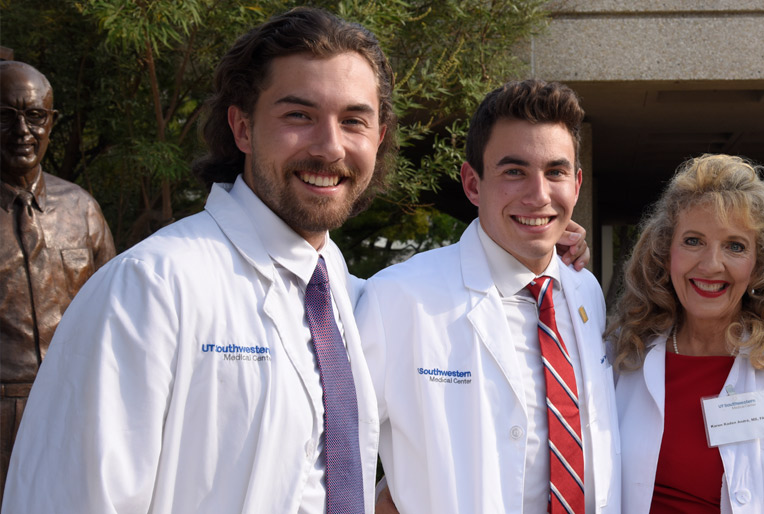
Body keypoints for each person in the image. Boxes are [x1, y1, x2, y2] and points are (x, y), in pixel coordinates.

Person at [3, 8, 393, 513]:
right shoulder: (147, 288)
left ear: (379, 137)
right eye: (299, 115)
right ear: (243, 127)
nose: (329, 146)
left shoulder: (344, 292)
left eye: (353, 120)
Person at [357, 79, 619, 513]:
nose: (538, 195)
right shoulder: (398, 298)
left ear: (575, 184)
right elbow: (334, 453)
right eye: (514, 171)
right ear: (473, 184)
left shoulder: (584, 289)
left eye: (554, 172)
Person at [607, 154, 764, 513]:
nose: (711, 265)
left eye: (735, 246)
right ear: (664, 251)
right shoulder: (622, 357)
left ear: (759, 264)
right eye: (693, 241)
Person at [0, 60, 116, 501]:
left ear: (52, 122)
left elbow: (115, 309)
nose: (22, 131)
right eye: (6, 116)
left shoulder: (81, 209)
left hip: (71, 404)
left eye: (35, 116)